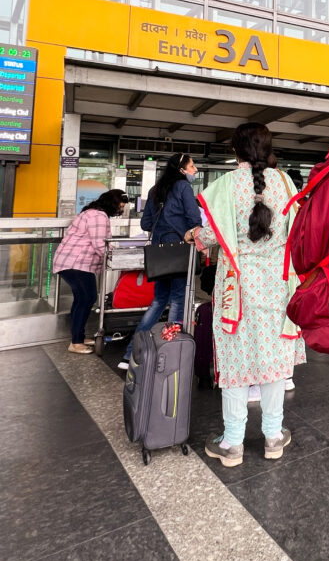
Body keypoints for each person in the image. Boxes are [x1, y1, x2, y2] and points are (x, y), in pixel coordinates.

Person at [185, 123, 305, 465]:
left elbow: (209, 236)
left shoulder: (223, 186)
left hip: (234, 289)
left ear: (234, 149)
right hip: (277, 286)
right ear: (268, 148)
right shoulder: (284, 182)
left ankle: (233, 443)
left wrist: (194, 233)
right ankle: (272, 437)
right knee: (274, 362)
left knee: (235, 362)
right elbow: (296, 231)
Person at [118, 153, 202, 369]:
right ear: (181, 169)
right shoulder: (184, 188)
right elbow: (195, 220)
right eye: (192, 166)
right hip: (179, 251)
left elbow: (146, 224)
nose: (195, 170)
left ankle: (130, 355)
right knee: (178, 301)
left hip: (159, 253)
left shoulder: (155, 190)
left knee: (158, 302)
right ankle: (170, 353)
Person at [53, 189, 129, 354]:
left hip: (72, 262)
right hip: (76, 262)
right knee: (87, 297)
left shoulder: (91, 212)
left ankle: (78, 336)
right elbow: (100, 244)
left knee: (81, 299)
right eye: (120, 206)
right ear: (112, 203)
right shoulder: (98, 216)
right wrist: (117, 257)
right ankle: (76, 342)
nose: (120, 210)